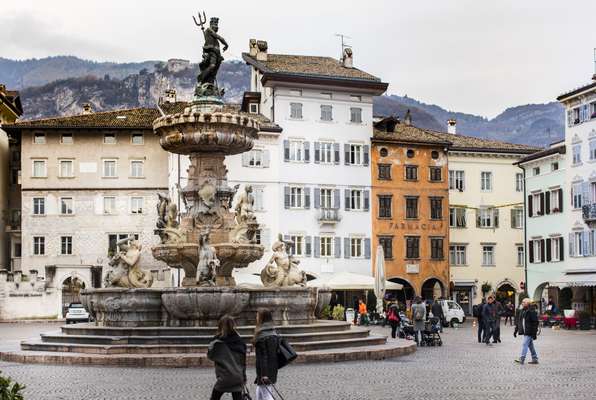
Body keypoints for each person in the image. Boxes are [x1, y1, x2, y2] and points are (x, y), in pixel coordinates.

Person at [207, 315, 247, 400]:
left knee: (214, 398)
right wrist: (244, 377)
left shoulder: (217, 342)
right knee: (237, 397)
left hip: (224, 377)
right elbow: (243, 362)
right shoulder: (239, 341)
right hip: (237, 376)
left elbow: (210, 355)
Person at [254, 308, 280, 400]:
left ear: (262, 318)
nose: (256, 317)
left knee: (266, 394)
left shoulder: (262, 335)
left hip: (265, 370)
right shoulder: (273, 331)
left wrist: (264, 374)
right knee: (260, 390)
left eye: (257, 315)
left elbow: (264, 356)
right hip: (272, 367)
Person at [514, 298, 539, 365]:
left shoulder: (532, 311)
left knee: (525, 344)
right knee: (530, 345)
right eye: (522, 302)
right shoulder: (522, 311)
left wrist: (534, 333)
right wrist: (516, 330)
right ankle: (535, 358)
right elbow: (519, 322)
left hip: (529, 331)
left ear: (528, 303)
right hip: (525, 331)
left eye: (524, 302)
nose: (522, 303)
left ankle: (522, 359)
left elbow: (535, 322)